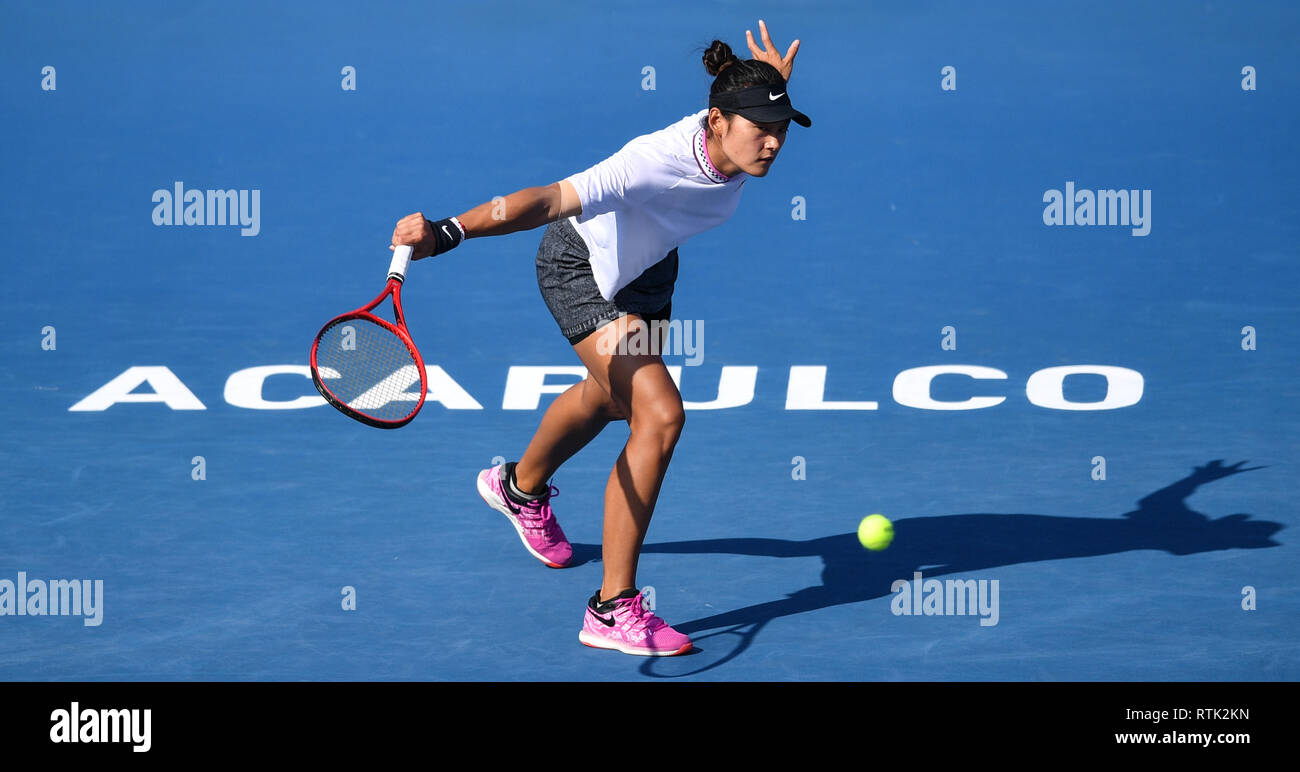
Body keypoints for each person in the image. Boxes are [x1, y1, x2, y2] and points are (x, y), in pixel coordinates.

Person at [390, 20, 810, 657]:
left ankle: (518, 487)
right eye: (762, 129)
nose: (774, 144)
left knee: (612, 399)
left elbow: (755, 112)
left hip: (647, 270)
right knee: (661, 416)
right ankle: (612, 608)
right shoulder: (652, 162)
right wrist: (450, 232)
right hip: (580, 267)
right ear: (717, 121)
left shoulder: (741, 136)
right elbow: (546, 199)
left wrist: (774, 87)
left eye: (781, 130)